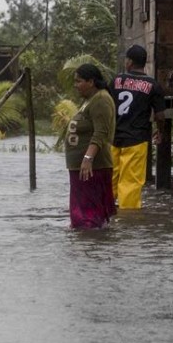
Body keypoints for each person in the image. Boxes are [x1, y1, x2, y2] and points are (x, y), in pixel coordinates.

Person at [110, 44, 166, 209]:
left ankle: (104, 215)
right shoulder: (152, 85)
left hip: (113, 138)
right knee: (130, 183)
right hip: (136, 139)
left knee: (110, 178)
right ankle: (129, 223)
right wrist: (160, 131)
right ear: (144, 63)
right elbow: (160, 115)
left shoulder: (116, 80)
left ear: (129, 62)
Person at [65, 63, 116, 229]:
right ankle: (89, 247)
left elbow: (101, 133)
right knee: (82, 214)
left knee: (89, 217)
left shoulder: (101, 100)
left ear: (91, 81)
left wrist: (88, 158)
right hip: (82, 168)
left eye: (79, 81)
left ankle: (92, 249)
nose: (76, 85)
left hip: (93, 167)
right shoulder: (90, 100)